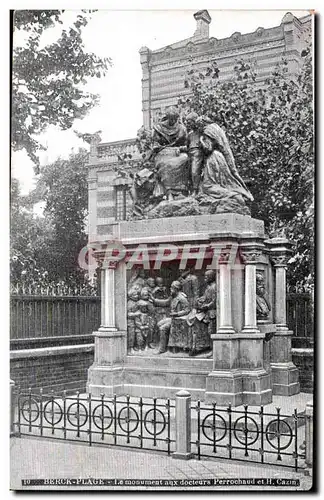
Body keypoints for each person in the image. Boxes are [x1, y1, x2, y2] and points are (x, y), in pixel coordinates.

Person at [199, 123, 253, 214]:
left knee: (207, 186)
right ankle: (235, 194)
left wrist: (201, 140)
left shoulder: (207, 131)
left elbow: (208, 148)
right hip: (220, 159)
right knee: (221, 183)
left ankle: (234, 195)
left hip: (213, 159)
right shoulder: (216, 128)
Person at [152, 107, 190, 201]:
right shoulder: (159, 128)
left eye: (175, 119)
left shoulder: (182, 129)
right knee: (166, 164)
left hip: (177, 153)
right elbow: (155, 145)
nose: (173, 121)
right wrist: (160, 147)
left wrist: (180, 148)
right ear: (167, 117)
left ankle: (181, 191)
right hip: (163, 153)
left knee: (185, 158)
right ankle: (169, 192)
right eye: (171, 119)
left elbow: (187, 145)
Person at [153, 281, 190, 354]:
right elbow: (166, 302)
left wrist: (177, 314)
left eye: (171, 288)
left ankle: (162, 349)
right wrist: (154, 300)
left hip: (179, 320)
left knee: (162, 328)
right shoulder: (173, 296)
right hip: (173, 318)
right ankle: (164, 344)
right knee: (159, 323)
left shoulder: (182, 298)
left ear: (176, 289)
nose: (170, 289)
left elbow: (187, 310)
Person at [187, 270, 216, 356]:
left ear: (211, 277)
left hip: (211, 312)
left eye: (207, 277)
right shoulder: (208, 287)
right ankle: (196, 346)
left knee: (211, 331)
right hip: (206, 311)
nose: (205, 279)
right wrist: (200, 300)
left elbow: (214, 301)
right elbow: (205, 297)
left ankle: (213, 349)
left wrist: (205, 306)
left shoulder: (214, 287)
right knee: (193, 321)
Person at [186, 112, 204, 194]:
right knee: (188, 173)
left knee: (195, 171)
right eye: (187, 123)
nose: (187, 124)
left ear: (194, 121)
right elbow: (187, 145)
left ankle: (195, 190)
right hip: (190, 154)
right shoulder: (190, 134)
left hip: (198, 153)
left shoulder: (201, 132)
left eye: (189, 122)